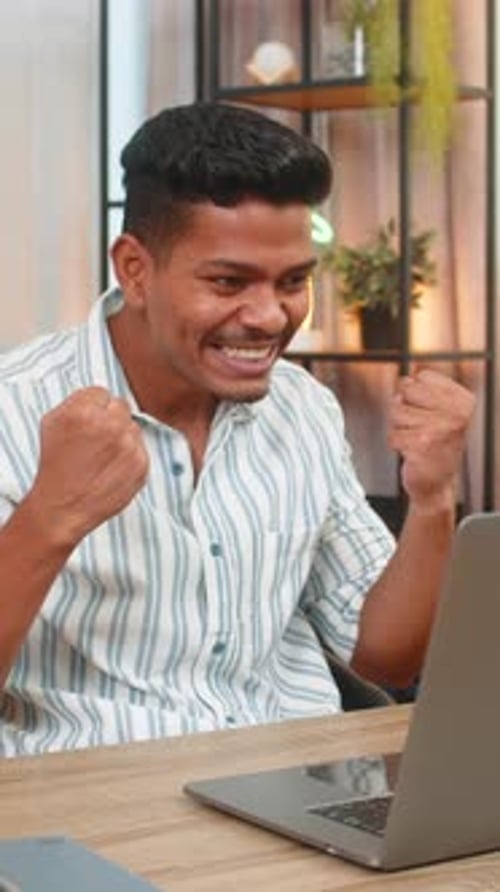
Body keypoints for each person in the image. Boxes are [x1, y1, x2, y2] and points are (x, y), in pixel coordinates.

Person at [0, 102, 473, 756]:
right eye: (228, 282)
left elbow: (386, 659)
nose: (270, 316)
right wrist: (48, 520)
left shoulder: (302, 408)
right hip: (92, 793)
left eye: (293, 282)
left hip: (295, 780)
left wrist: (432, 500)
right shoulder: (15, 409)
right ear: (134, 269)